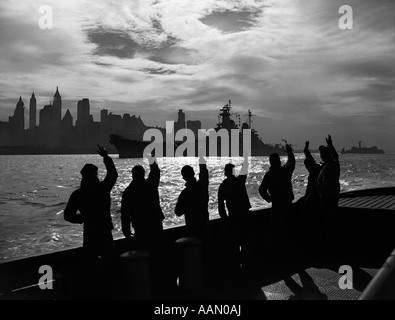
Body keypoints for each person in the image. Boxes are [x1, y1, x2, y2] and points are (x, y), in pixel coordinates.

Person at [64, 145, 118, 299]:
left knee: (90, 264)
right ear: (95, 175)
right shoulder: (102, 189)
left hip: (90, 232)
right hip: (104, 232)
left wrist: (82, 219)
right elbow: (113, 175)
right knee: (109, 263)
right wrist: (106, 158)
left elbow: (68, 215)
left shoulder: (78, 194)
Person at [121, 154, 164, 253]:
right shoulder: (151, 185)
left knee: (143, 252)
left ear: (132, 175)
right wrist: (152, 159)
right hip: (155, 225)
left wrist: (126, 231)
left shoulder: (128, 192)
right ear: (143, 174)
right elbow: (155, 172)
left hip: (140, 227)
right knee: (158, 253)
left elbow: (125, 214)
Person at [218, 155, 251, 272]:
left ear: (225, 173)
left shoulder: (223, 186)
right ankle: (246, 264)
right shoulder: (239, 181)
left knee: (235, 242)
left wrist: (224, 218)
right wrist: (246, 160)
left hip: (233, 216)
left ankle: (237, 265)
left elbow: (220, 205)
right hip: (244, 214)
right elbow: (244, 170)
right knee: (245, 241)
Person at [259, 144, 295, 244]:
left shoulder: (269, 175)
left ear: (270, 162)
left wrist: (269, 198)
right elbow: (291, 162)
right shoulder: (286, 171)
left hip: (277, 204)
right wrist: (290, 153)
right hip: (287, 202)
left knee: (275, 227)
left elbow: (261, 190)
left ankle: (276, 248)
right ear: (279, 161)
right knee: (289, 225)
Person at [175, 155, 209, 239]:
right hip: (205, 225)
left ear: (183, 177)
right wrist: (202, 161)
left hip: (192, 229)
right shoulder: (202, 187)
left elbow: (178, 212)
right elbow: (204, 174)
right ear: (193, 173)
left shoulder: (184, 194)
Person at [316, 135, 340, 246]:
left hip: (327, 198)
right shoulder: (333, 164)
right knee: (330, 220)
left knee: (328, 221)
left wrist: (319, 186)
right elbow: (335, 155)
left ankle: (329, 243)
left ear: (323, 155)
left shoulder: (330, 166)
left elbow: (326, 184)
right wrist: (330, 144)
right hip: (330, 196)